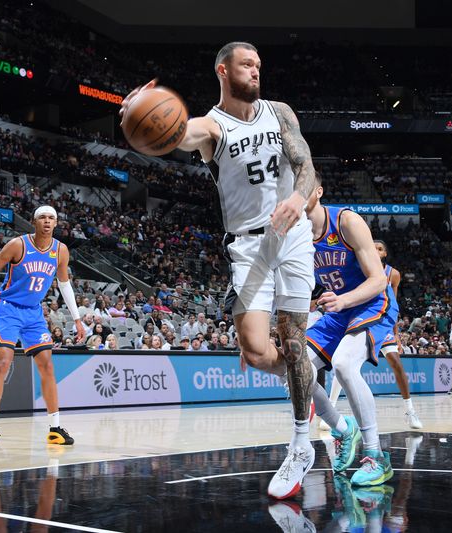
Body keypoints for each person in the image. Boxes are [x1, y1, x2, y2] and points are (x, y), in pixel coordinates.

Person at [122, 41, 320, 499]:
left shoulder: (280, 112)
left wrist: (296, 198)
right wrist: (136, 113)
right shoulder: (212, 127)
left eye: (258, 64)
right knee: (254, 351)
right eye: (246, 65)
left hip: (292, 237)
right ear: (223, 71)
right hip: (248, 247)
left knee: (292, 339)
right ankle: (314, 394)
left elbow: (305, 164)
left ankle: (300, 443)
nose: (255, 71)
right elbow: (170, 136)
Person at [302, 175, 395, 486]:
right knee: (295, 371)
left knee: (343, 364)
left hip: (371, 302)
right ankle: (342, 428)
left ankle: (376, 456)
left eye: (300, 186)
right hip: (336, 308)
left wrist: (342, 301)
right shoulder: (296, 233)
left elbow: (378, 280)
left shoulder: (346, 221)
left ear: (318, 191)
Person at [0, 206, 86, 448]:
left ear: (56, 224)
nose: (47, 221)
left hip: (33, 312)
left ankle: (55, 429)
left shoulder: (60, 250)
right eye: (42, 217)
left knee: (47, 364)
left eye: (51, 218)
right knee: (4, 362)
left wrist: (77, 318)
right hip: (8, 308)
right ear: (34, 222)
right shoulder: (18, 245)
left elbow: (65, 285)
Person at [320, 240, 423, 430]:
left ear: (385, 254)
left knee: (396, 363)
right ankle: (332, 408)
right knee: (345, 361)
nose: (376, 250)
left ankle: (410, 410)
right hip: (364, 318)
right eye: (373, 247)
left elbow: (392, 302)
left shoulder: (393, 274)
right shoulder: (360, 267)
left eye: (380, 249)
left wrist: (396, 334)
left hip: (383, 322)